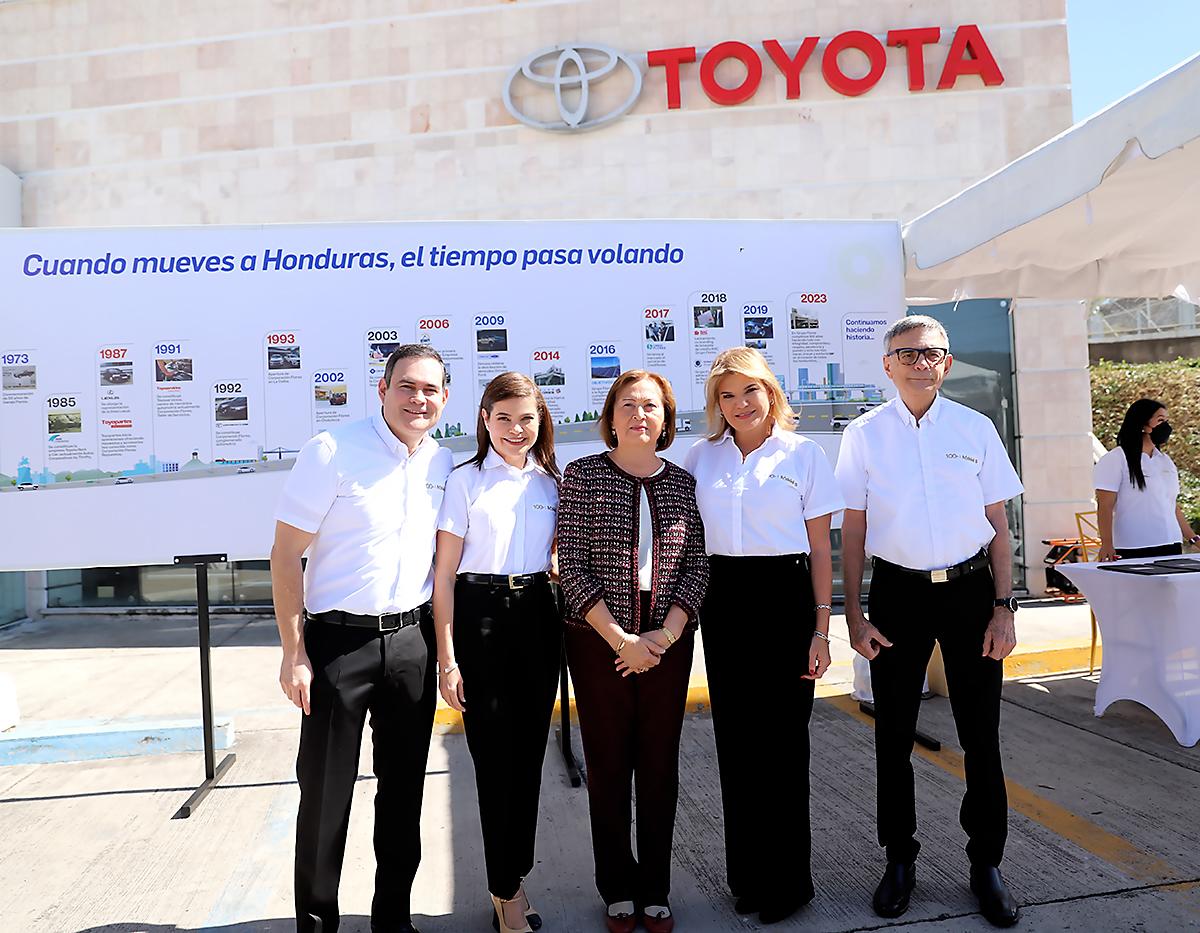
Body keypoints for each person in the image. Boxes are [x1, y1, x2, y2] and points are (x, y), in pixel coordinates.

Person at [834, 315, 1024, 928]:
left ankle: (985, 864)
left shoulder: (976, 427)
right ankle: (899, 859)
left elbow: (998, 524)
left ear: (946, 362)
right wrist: (855, 613)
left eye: (931, 353)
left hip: (971, 596)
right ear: (886, 365)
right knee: (893, 736)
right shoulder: (863, 435)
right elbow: (854, 528)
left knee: (981, 737)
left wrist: (1005, 606)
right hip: (898, 595)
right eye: (905, 353)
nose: (919, 361)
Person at [271, 344, 452, 933]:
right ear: (382, 387)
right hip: (336, 648)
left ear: (445, 398)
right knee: (326, 798)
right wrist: (293, 654)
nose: (417, 399)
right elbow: (284, 555)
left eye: (430, 389)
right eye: (407, 386)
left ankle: (392, 920)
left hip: (409, 646)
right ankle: (318, 922)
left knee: (403, 793)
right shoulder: (332, 451)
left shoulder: (444, 464)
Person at [682, 347, 842, 924]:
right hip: (723, 605)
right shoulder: (702, 457)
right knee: (737, 746)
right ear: (716, 405)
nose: (739, 404)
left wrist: (822, 628)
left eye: (749, 391)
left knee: (782, 749)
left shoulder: (804, 454)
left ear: (770, 392)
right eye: (727, 395)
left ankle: (787, 885)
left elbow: (821, 549)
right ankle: (746, 878)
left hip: (786, 602)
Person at [557, 370, 709, 933]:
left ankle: (655, 888)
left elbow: (697, 567)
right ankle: (617, 886)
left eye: (650, 406)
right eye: (628, 405)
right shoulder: (582, 476)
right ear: (611, 416)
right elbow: (569, 567)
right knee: (608, 765)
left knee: (659, 763)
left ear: (666, 419)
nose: (639, 414)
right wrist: (620, 639)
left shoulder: (682, 484)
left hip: (666, 641)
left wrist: (664, 637)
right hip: (599, 641)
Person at [432, 372, 562, 933]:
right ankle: (503, 890)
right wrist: (447, 657)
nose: (515, 429)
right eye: (503, 417)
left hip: (538, 617)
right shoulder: (464, 483)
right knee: (492, 761)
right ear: (485, 419)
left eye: (526, 418)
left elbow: (562, 560)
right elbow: (442, 577)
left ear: (540, 423)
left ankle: (514, 874)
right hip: (478, 616)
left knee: (529, 756)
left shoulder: (554, 483)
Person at [1094, 398, 1199, 561]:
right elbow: (1105, 506)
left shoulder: (1165, 461)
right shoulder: (1116, 459)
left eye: (1167, 421)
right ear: (1143, 424)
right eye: (1160, 420)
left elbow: (1172, 505)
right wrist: (1106, 543)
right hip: (1133, 546)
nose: (1166, 426)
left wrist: (1193, 538)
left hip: (1170, 543)